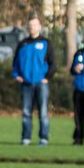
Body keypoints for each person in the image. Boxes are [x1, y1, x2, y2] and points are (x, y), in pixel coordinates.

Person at [13, 16, 54, 146]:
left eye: (34, 25)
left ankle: (44, 138)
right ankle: (26, 138)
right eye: (30, 25)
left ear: (39, 27)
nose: (32, 27)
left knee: (43, 112)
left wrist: (47, 78)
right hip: (26, 84)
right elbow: (15, 62)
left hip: (41, 83)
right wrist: (16, 75)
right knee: (26, 112)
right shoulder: (23, 44)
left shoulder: (46, 43)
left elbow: (53, 63)